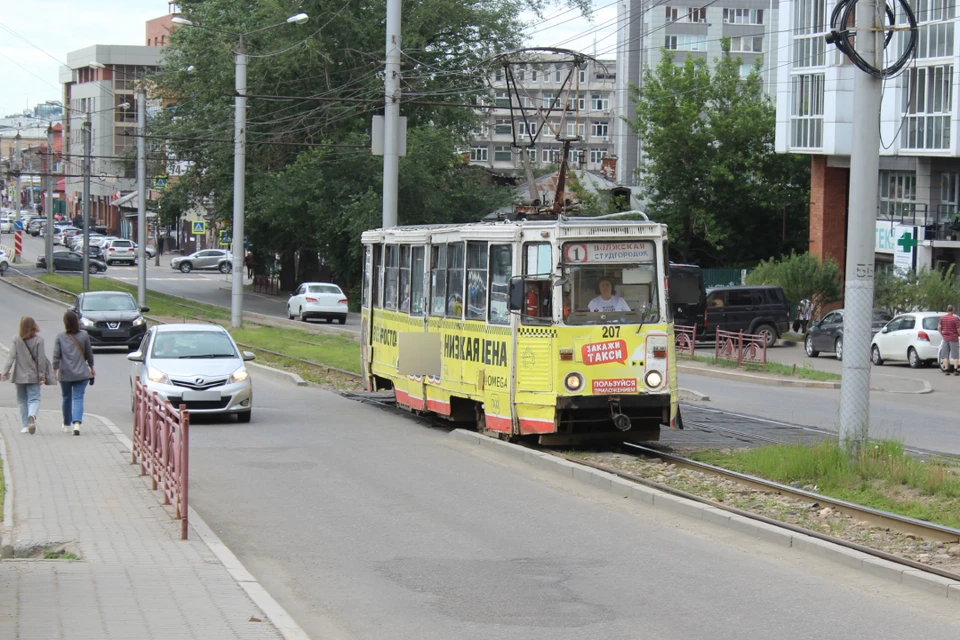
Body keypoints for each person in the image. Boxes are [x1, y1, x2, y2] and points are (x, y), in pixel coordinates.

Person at [1, 316, 52, 434]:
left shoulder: (16, 339)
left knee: (22, 400)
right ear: (34, 326)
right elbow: (40, 359)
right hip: (33, 376)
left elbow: (11, 356)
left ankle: (25, 425)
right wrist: (42, 376)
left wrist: (5, 372)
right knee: (34, 398)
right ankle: (32, 416)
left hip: (19, 375)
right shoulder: (39, 340)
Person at [53, 310, 95, 436]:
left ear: (65, 323)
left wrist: (54, 372)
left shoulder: (60, 337)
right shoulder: (84, 335)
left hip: (65, 373)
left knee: (66, 398)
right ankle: (77, 423)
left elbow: (56, 356)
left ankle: (66, 424)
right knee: (78, 397)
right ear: (77, 321)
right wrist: (92, 368)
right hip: (81, 373)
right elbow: (89, 354)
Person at [937, 305, 960, 375]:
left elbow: (939, 327)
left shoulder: (942, 318)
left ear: (947, 310)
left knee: (945, 354)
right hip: (954, 338)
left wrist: (942, 334)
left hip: (945, 338)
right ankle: (955, 370)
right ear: (953, 311)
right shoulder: (955, 319)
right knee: (955, 355)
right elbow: (958, 329)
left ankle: (946, 369)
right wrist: (959, 334)